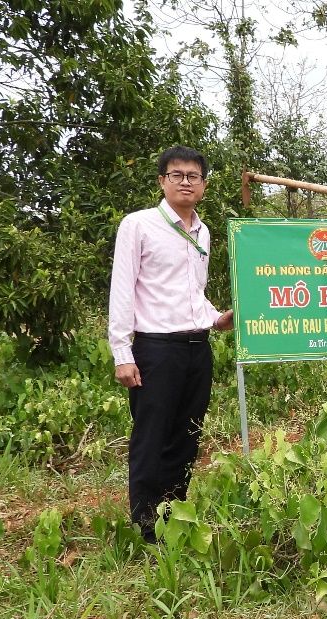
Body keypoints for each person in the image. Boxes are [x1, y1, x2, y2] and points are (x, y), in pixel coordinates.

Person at [108, 146, 233, 543]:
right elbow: (122, 290)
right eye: (176, 175)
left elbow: (194, 292)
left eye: (192, 176)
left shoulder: (203, 231)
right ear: (162, 181)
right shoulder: (139, 225)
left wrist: (216, 318)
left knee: (187, 435)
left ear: (204, 185)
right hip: (155, 349)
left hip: (198, 348)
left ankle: (173, 515)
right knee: (153, 435)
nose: (185, 182)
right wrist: (122, 353)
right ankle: (146, 526)